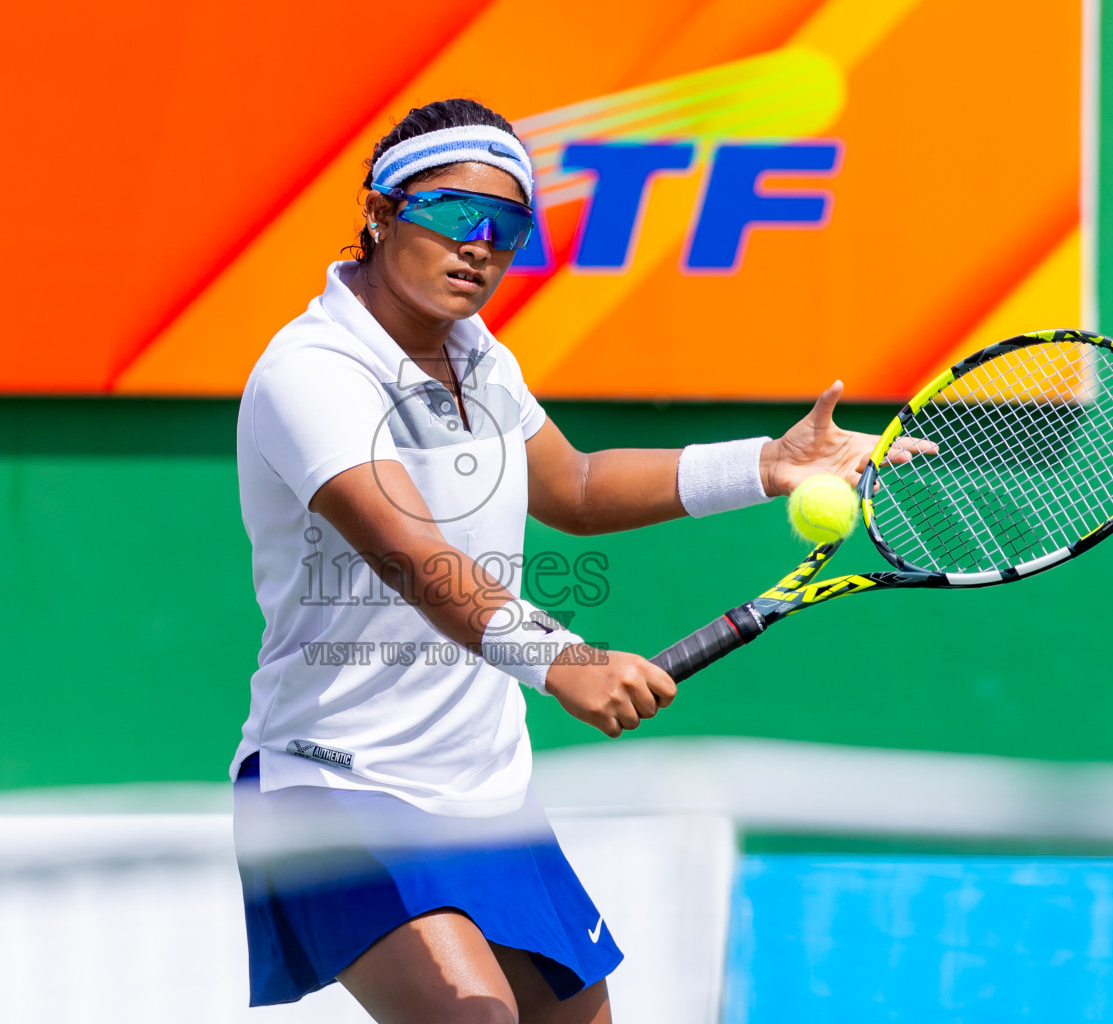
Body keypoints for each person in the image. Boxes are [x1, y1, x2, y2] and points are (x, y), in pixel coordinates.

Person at [232, 98, 900, 1023]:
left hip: (485, 789)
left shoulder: (478, 359)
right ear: (381, 211)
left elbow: (575, 486)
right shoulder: (312, 369)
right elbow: (412, 553)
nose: (480, 247)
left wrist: (766, 465)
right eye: (452, 215)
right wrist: (564, 661)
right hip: (338, 780)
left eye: (507, 229)